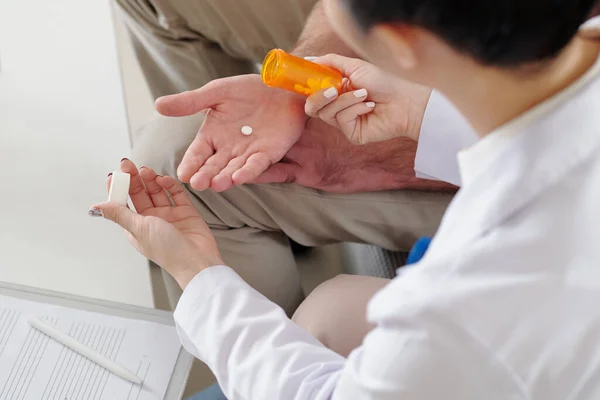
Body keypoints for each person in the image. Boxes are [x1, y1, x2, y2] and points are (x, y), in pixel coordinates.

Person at [90, 0, 600, 398]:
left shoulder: (464, 303)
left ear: (399, 42)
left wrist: (197, 273)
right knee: (331, 308)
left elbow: (326, 392)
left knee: (323, 322)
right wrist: (420, 117)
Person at [116, 0, 458, 317]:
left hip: (481, 145)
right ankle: (264, 220)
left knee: (175, 164)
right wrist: (298, 78)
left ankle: (272, 347)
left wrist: (388, 153)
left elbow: (507, 146)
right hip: (443, 31)